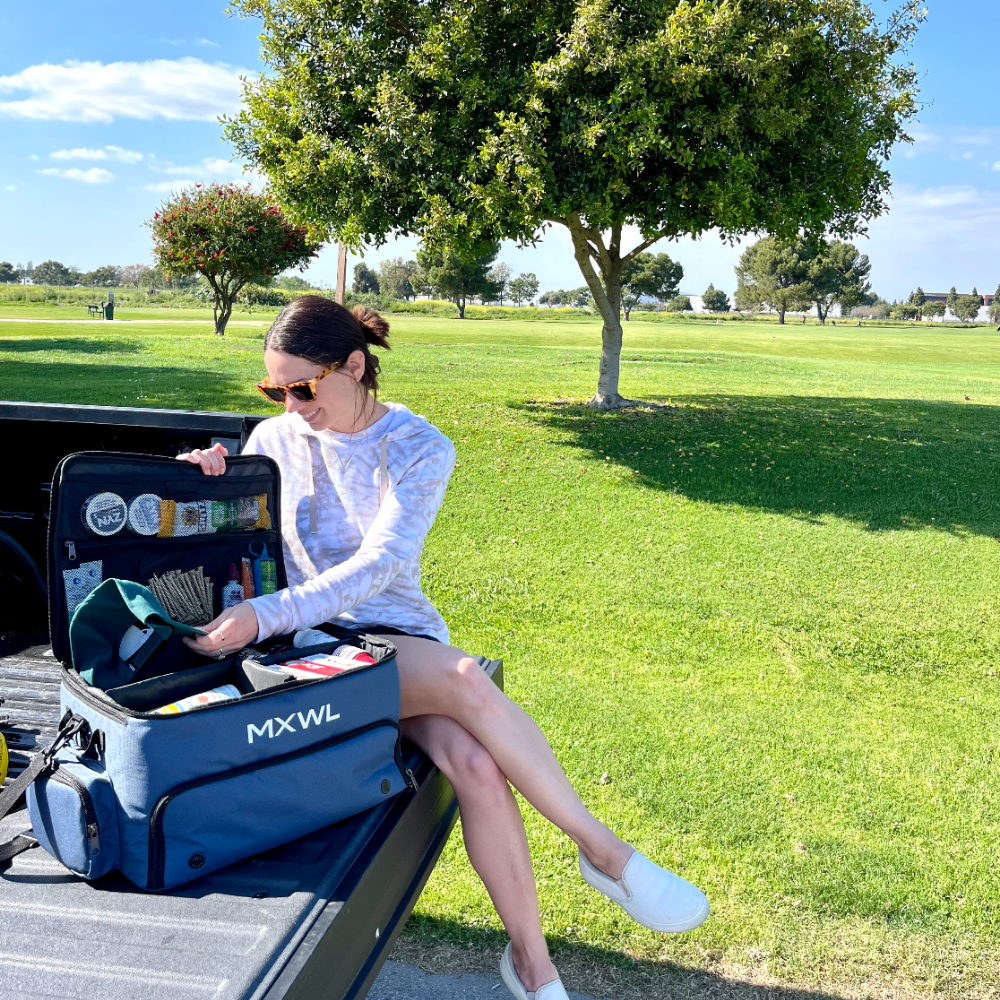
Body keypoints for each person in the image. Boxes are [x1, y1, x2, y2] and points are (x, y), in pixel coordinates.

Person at [179, 296, 708, 1000]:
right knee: (467, 706)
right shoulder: (276, 439)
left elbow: (380, 566)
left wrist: (261, 614)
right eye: (273, 390)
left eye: (302, 387)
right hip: (309, 642)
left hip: (391, 636)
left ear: (357, 367)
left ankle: (535, 959)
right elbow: (239, 535)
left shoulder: (418, 445)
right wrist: (204, 474)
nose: (290, 405)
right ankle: (599, 862)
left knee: (474, 759)